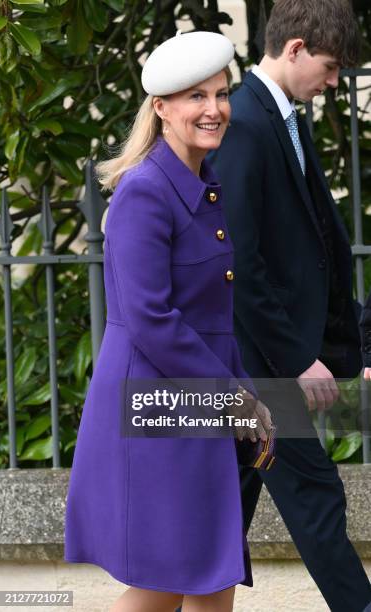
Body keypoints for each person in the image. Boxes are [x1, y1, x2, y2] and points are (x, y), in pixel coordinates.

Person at [64, 31, 272, 612]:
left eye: (221, 93)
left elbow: (209, 319)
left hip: (195, 400)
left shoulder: (201, 186)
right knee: (168, 578)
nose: (213, 109)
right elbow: (152, 320)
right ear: (161, 109)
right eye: (194, 97)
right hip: (157, 406)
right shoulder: (145, 192)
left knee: (212, 568)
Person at [209, 1, 371, 611]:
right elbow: (241, 265)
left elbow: (315, 244)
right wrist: (298, 359)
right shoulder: (246, 122)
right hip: (263, 362)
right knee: (316, 493)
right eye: (329, 68)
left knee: (228, 501)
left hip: (264, 362)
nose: (334, 82)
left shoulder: (283, 116)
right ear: (296, 48)